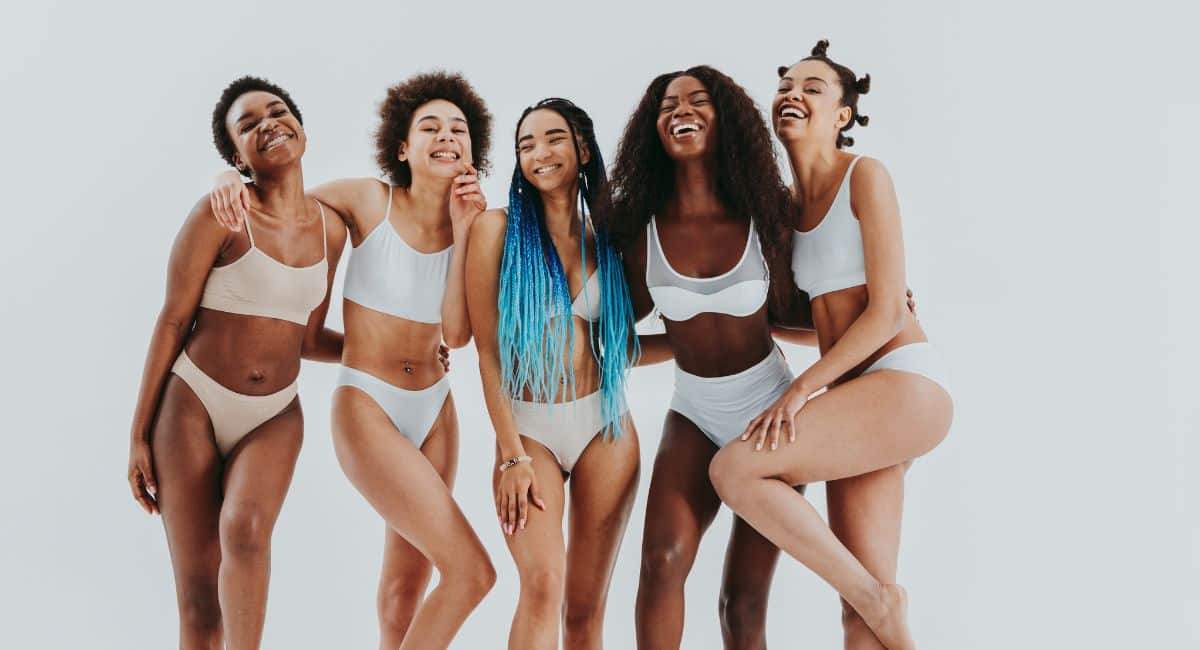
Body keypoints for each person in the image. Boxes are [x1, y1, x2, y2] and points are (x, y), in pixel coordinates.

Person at [206, 72, 495, 650]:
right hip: (368, 405)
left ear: (472, 148)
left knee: (401, 595)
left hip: (436, 409)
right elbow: (281, 199)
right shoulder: (368, 200)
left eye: (459, 129)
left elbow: (458, 335)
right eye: (430, 127)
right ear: (402, 148)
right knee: (471, 574)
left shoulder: (480, 226)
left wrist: (465, 234)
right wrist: (230, 176)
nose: (447, 136)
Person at [708, 40, 954, 650]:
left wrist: (798, 391)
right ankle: (879, 602)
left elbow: (887, 311)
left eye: (812, 87)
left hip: (904, 382)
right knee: (861, 623)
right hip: (857, 400)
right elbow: (804, 320)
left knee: (736, 468)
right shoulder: (787, 214)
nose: (792, 93)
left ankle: (880, 598)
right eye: (786, 85)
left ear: (842, 114)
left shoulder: (864, 175)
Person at [127, 76, 346, 648]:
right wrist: (137, 435)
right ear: (235, 155)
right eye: (247, 125)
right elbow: (172, 321)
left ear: (301, 127)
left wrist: (396, 352)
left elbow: (309, 337)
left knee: (246, 532)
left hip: (275, 413)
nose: (267, 123)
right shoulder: (221, 213)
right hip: (192, 404)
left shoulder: (333, 228)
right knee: (201, 604)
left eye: (276, 112)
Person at [603, 66, 816, 649]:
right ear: (655, 128)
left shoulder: (766, 213)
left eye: (698, 101)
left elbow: (794, 317)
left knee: (741, 604)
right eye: (667, 105)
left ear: (728, 121)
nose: (680, 111)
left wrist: (885, 308)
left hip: (770, 418)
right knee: (661, 562)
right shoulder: (640, 229)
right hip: (693, 411)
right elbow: (617, 339)